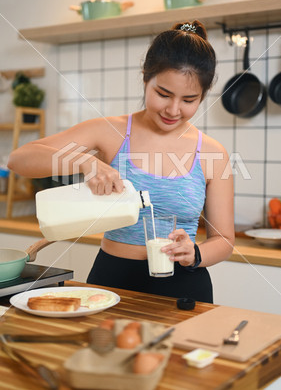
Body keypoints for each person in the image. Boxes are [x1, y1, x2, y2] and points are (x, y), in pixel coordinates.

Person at [8, 20, 234, 303]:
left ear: (203, 94)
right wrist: (84, 162)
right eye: (163, 94)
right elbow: (20, 159)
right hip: (113, 279)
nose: (173, 110)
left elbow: (224, 239)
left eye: (189, 99)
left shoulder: (213, 153)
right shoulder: (111, 132)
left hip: (184, 287)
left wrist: (196, 254)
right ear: (145, 78)